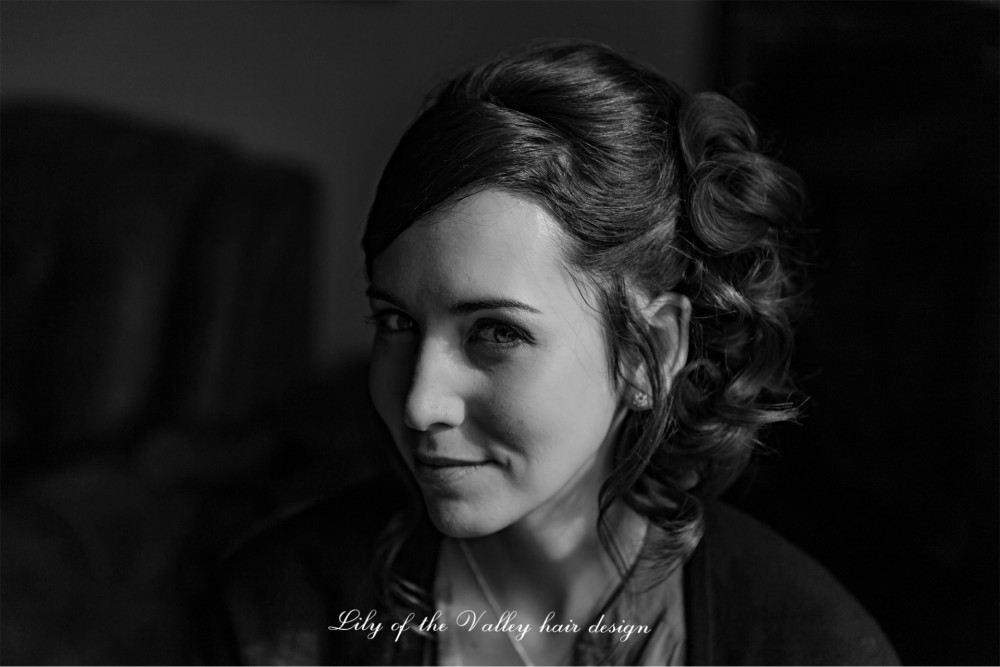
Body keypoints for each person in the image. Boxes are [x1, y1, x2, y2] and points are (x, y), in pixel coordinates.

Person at [213, 41, 898, 665]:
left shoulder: (811, 645)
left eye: (496, 332)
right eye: (395, 320)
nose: (421, 402)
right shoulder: (280, 609)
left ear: (651, 352)